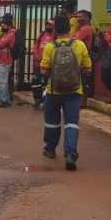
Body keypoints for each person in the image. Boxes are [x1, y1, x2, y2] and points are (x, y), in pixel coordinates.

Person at [41, 15, 92, 171]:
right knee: (71, 123)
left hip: (53, 91)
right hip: (75, 91)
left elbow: (43, 69)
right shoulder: (80, 45)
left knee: (52, 121)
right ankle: (70, 153)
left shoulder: (50, 47)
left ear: (56, 29)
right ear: (70, 29)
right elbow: (88, 68)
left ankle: (50, 149)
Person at [31, 20, 56, 110]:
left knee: (47, 83)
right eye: (47, 24)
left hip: (49, 65)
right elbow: (35, 45)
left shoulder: (55, 37)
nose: (48, 26)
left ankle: (45, 101)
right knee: (36, 82)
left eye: (50, 25)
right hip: (38, 63)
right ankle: (37, 99)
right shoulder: (42, 35)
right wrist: (36, 54)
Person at [0, 14, 17, 107]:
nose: (2, 26)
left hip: (5, 60)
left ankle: (4, 100)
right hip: (2, 59)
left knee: (1, 81)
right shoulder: (5, 34)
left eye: (4, 24)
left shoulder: (10, 34)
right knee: (3, 81)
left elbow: (0, 45)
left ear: (8, 25)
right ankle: (5, 99)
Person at [75, 10, 96, 99]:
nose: (78, 19)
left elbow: (75, 41)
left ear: (87, 18)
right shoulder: (85, 28)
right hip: (84, 57)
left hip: (84, 58)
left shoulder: (86, 29)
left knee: (83, 80)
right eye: (77, 16)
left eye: (80, 16)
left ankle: (82, 100)